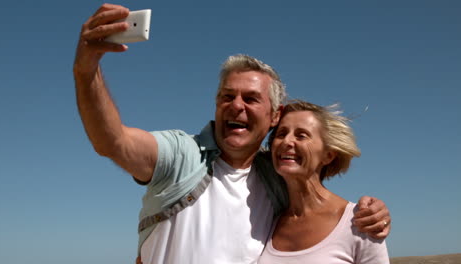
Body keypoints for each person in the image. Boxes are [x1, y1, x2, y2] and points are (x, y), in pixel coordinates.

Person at [73, 4, 391, 264]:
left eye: (251, 99)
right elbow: (113, 141)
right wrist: (86, 70)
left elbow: (317, 201)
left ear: (274, 116)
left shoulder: (277, 176)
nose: (236, 106)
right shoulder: (182, 154)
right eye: (227, 96)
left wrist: (370, 210)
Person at [258, 100, 389, 263]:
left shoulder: (361, 221)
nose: (286, 141)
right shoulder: (267, 222)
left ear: (328, 155)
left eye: (301, 135)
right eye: (281, 134)